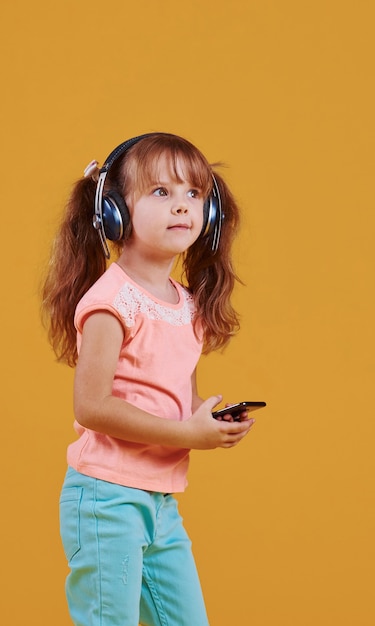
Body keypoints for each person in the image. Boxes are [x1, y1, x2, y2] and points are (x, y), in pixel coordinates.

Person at [41, 132, 254, 626]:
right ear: (115, 212)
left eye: (193, 194)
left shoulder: (188, 305)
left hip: (159, 500)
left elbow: (182, 397)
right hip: (106, 499)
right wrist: (187, 435)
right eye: (161, 192)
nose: (181, 206)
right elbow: (91, 407)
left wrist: (212, 422)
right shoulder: (109, 302)